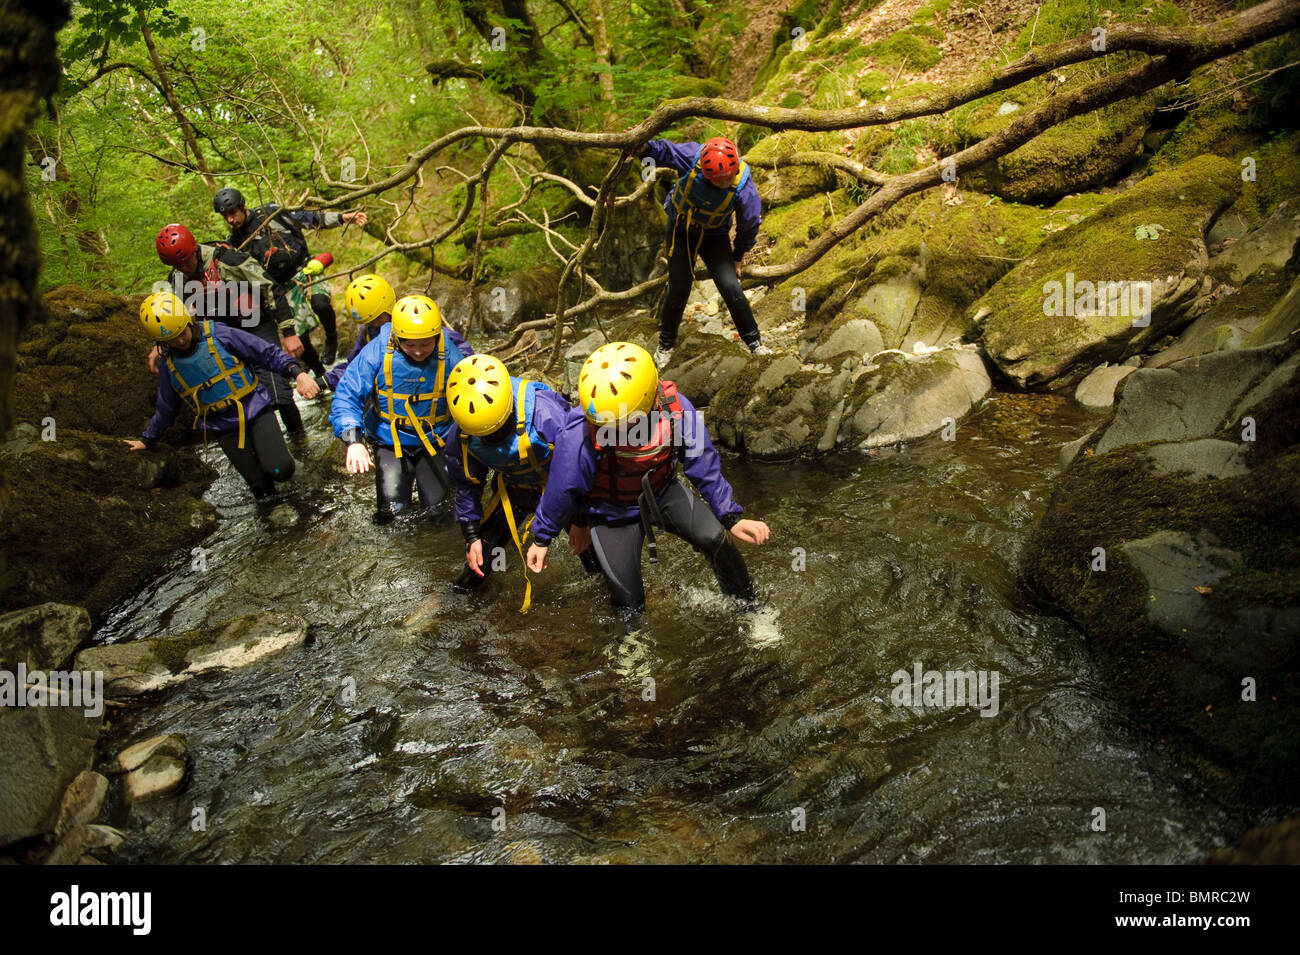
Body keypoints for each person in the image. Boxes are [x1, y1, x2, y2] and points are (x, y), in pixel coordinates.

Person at [525, 341, 770, 630]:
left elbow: (702, 461)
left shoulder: (675, 407)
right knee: (628, 602)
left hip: (663, 491)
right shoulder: (580, 430)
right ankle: (632, 651)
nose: (618, 431)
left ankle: (750, 611)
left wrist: (731, 516)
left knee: (716, 540)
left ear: (652, 397)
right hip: (610, 512)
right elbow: (564, 486)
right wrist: (544, 537)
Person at [124, 291, 320, 500]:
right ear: (161, 341)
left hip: (255, 409)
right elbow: (166, 407)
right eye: (172, 339)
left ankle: (297, 472)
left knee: (281, 470)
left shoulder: (219, 334)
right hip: (223, 426)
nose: (180, 341)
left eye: (182, 332)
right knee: (261, 490)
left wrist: (296, 373)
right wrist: (147, 439)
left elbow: (265, 353)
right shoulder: (168, 363)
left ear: (188, 321)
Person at [444, 354, 578, 611]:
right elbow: (467, 484)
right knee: (481, 564)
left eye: (496, 431)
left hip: (560, 492)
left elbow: (576, 471)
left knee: (594, 561)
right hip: (514, 491)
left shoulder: (546, 416)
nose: (492, 439)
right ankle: (457, 606)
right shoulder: (463, 430)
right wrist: (471, 535)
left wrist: (576, 524)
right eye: (485, 435)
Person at [328, 294, 473, 523]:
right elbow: (347, 394)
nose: (418, 351)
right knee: (392, 516)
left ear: (436, 335)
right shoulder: (376, 351)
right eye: (409, 344)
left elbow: (473, 390)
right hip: (389, 442)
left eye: (425, 343)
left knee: (438, 515)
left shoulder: (451, 353)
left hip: (435, 441)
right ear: (396, 336)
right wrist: (354, 440)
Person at [154, 222, 308, 437]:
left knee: (278, 393)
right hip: (224, 336)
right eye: (177, 265)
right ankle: (270, 449)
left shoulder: (229, 260)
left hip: (256, 325)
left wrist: (289, 333)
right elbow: (176, 318)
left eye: (186, 262)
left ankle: (299, 440)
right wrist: (159, 345)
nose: (183, 269)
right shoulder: (177, 278)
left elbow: (270, 287)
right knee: (245, 393)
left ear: (194, 251)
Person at [634, 136, 772, 366]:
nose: (723, 184)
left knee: (729, 285)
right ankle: (665, 346)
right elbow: (664, 152)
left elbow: (749, 224)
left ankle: (755, 343)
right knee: (680, 286)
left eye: (726, 180)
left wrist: (738, 256)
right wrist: (644, 148)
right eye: (718, 181)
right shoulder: (691, 157)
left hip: (715, 234)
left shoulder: (744, 186)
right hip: (680, 227)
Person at [214, 186, 368, 366]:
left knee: (320, 303)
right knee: (299, 337)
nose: (231, 219)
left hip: (304, 269)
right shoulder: (235, 243)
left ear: (243, 206)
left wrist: (343, 218)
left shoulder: (271, 213)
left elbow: (309, 219)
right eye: (226, 216)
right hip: (280, 287)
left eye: (233, 213)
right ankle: (319, 374)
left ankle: (332, 339)